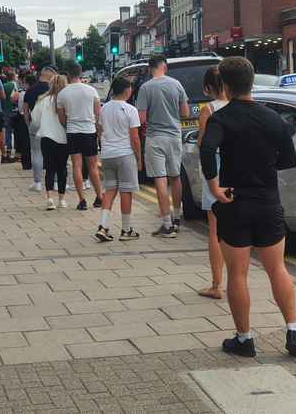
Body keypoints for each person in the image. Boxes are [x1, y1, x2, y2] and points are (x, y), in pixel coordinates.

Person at [199, 56, 296, 359]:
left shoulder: (221, 118)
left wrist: (213, 188)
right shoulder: (273, 118)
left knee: (238, 274)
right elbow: (288, 160)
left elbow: (207, 149)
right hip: (268, 201)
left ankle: (244, 338)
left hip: (235, 202)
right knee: (277, 269)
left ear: (225, 86)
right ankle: (293, 330)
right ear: (252, 81)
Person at [136, 54, 190, 238]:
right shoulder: (177, 84)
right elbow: (185, 112)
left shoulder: (145, 88)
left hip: (155, 137)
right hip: (174, 136)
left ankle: (167, 225)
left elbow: (141, 119)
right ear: (164, 67)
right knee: (175, 176)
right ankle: (177, 217)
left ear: (150, 68)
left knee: (160, 179)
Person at [95, 76, 142, 242]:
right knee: (126, 191)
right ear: (127, 91)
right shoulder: (130, 110)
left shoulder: (104, 109)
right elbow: (135, 138)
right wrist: (139, 158)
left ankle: (103, 226)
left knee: (110, 190)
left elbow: (99, 130)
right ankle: (126, 230)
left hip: (107, 155)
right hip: (124, 154)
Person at [197, 66, 227, 300]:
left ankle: (217, 285)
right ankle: (239, 278)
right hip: (237, 167)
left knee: (215, 230)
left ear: (208, 87)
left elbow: (203, 143)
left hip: (215, 170)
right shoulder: (239, 106)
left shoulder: (208, 109)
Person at [57, 62, 104, 211]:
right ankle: (99, 197)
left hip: (72, 131)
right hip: (89, 131)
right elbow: (98, 113)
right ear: (81, 73)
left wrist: (68, 124)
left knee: (76, 166)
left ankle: (82, 200)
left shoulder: (63, 93)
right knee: (92, 166)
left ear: (68, 75)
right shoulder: (91, 91)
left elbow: (61, 118)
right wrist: (96, 127)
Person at [31, 74, 70, 210]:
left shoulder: (43, 100)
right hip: (63, 139)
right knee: (62, 169)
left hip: (46, 138)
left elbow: (34, 120)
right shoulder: (67, 101)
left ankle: (49, 199)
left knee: (50, 168)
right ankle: (62, 199)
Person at [24, 66, 57, 191]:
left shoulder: (30, 90)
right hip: (52, 124)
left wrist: (28, 123)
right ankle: (55, 182)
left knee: (37, 153)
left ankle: (37, 183)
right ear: (50, 76)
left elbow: (25, 110)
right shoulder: (53, 90)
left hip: (36, 124)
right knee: (53, 153)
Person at [15, 74, 35, 170]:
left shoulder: (23, 93)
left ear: (26, 83)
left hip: (24, 119)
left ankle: (26, 163)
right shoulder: (38, 92)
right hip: (36, 119)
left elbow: (21, 109)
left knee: (25, 142)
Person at [1, 70, 18, 163]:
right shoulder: (16, 85)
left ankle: (8, 149)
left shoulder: (4, 86)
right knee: (16, 131)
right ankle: (17, 148)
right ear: (14, 77)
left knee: (8, 130)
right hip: (15, 111)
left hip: (6, 111)